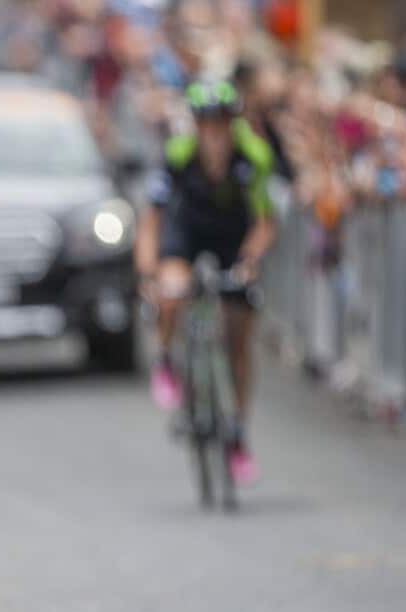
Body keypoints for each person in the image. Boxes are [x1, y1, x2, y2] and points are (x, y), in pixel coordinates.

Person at [135, 80, 276, 482]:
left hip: (234, 232)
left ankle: (237, 434)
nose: (214, 133)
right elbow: (152, 220)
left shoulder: (254, 157)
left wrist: (251, 260)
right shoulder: (177, 155)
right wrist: (148, 273)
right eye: (207, 124)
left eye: (222, 124)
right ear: (196, 125)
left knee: (238, 333)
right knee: (173, 288)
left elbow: (266, 221)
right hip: (189, 228)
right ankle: (165, 358)